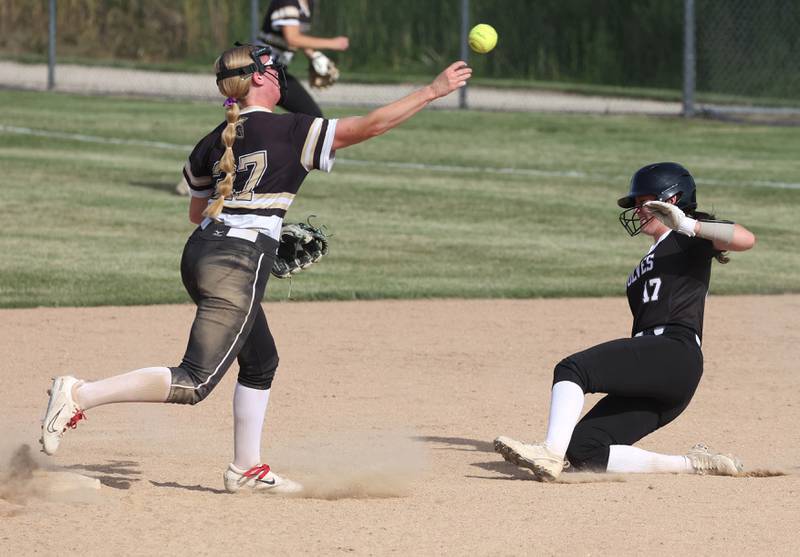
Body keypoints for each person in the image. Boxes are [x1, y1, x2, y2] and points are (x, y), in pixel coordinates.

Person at [41, 43, 472, 494]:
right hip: (236, 264)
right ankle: (79, 394)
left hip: (203, 254)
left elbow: (197, 213)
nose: (279, 73)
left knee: (260, 361)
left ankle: (246, 469)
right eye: (271, 67)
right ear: (260, 80)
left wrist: (260, 219)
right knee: (193, 380)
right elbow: (370, 126)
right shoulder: (291, 130)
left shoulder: (214, 139)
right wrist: (431, 91)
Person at [494, 162, 756, 481]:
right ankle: (696, 463)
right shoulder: (654, 255)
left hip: (674, 350)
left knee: (573, 369)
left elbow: (745, 239)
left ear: (671, 200)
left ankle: (549, 451)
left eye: (644, 201)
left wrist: (687, 224)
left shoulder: (689, 238)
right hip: (662, 365)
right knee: (584, 450)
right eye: (636, 203)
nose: (638, 209)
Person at [257, 0, 348, 117]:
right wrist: (333, 43)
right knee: (248, 119)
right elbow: (292, 38)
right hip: (261, 68)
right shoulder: (288, 2)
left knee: (313, 116)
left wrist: (313, 56)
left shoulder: (307, 4)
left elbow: (298, 34)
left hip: (275, 69)